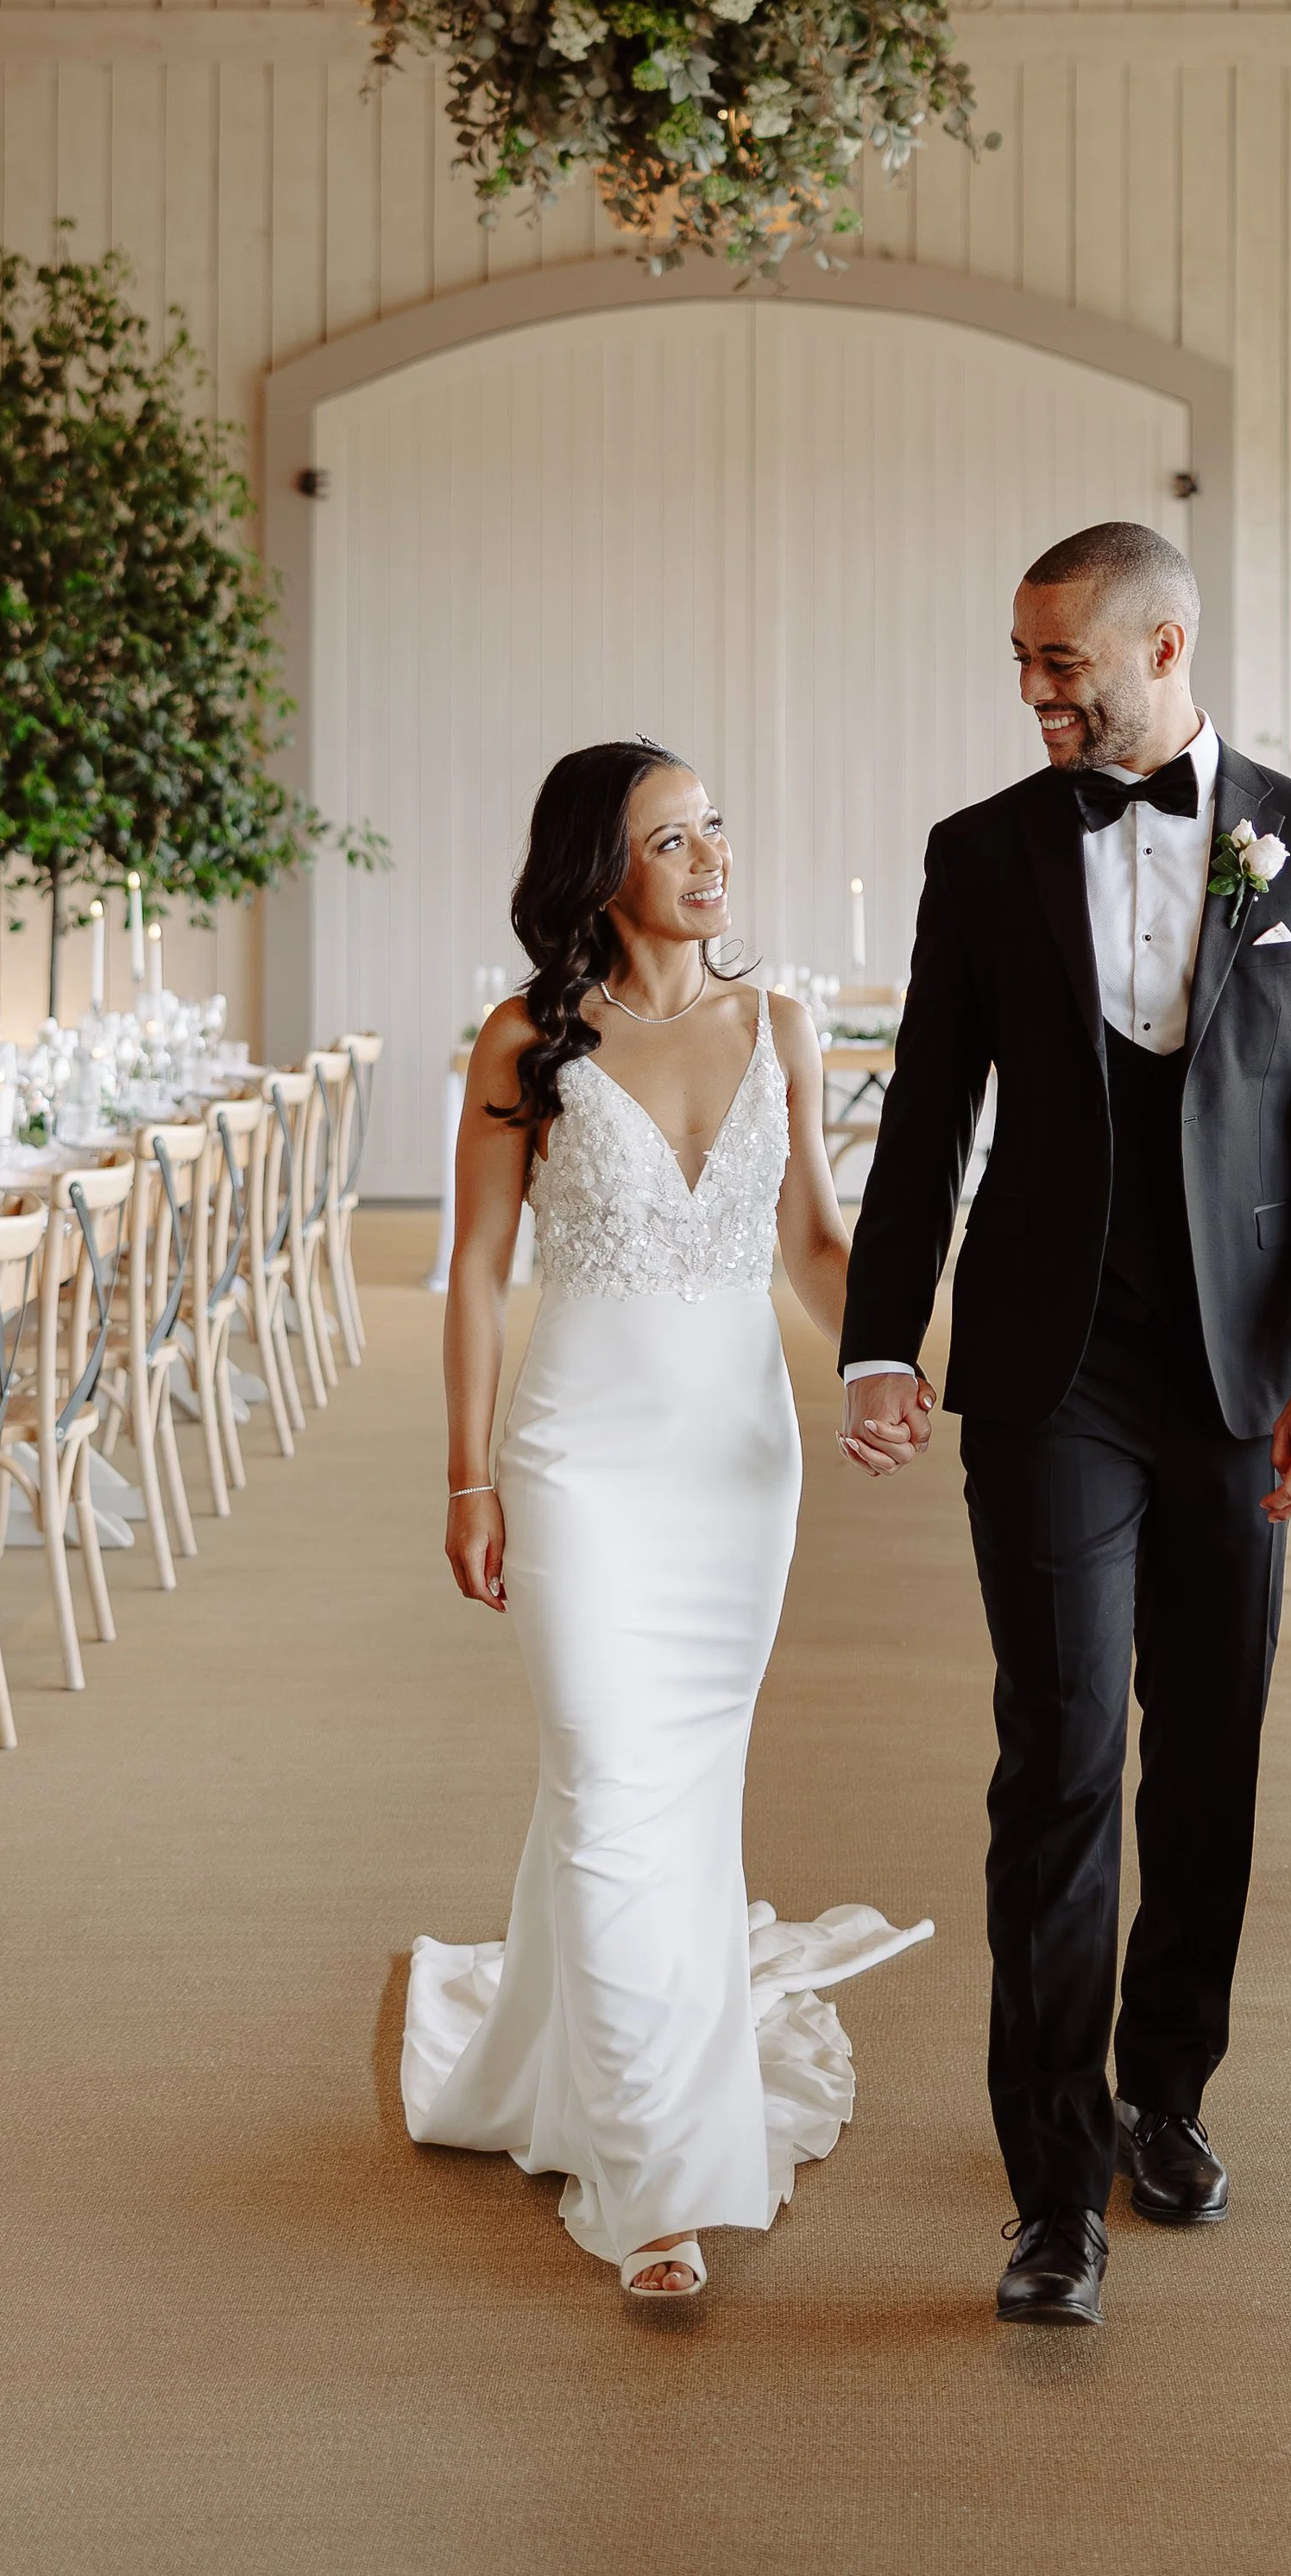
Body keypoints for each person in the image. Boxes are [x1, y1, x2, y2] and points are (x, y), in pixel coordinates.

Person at [839, 523, 1291, 2327]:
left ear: (1161, 647)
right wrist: (877, 1338)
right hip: (1045, 1371)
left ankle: (1166, 2094)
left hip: (1240, 1380)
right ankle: (1051, 2181)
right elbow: (926, 1112)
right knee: (1061, 1755)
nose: (1030, 694)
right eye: (1017, 662)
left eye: (1057, 663)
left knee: (1211, 1754)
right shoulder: (981, 853)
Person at [406, 740, 929, 2302]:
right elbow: (480, 1276)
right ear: (601, 870)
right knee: (607, 1771)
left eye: (714, 828)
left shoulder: (781, 1020)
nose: (710, 857)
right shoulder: (526, 1039)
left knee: (669, 1785)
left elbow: (816, 1239)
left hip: (733, 1468)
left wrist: (891, 1367)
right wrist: (467, 1472)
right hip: (578, 1452)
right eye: (670, 837)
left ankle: (605, 2072)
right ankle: (654, 2182)